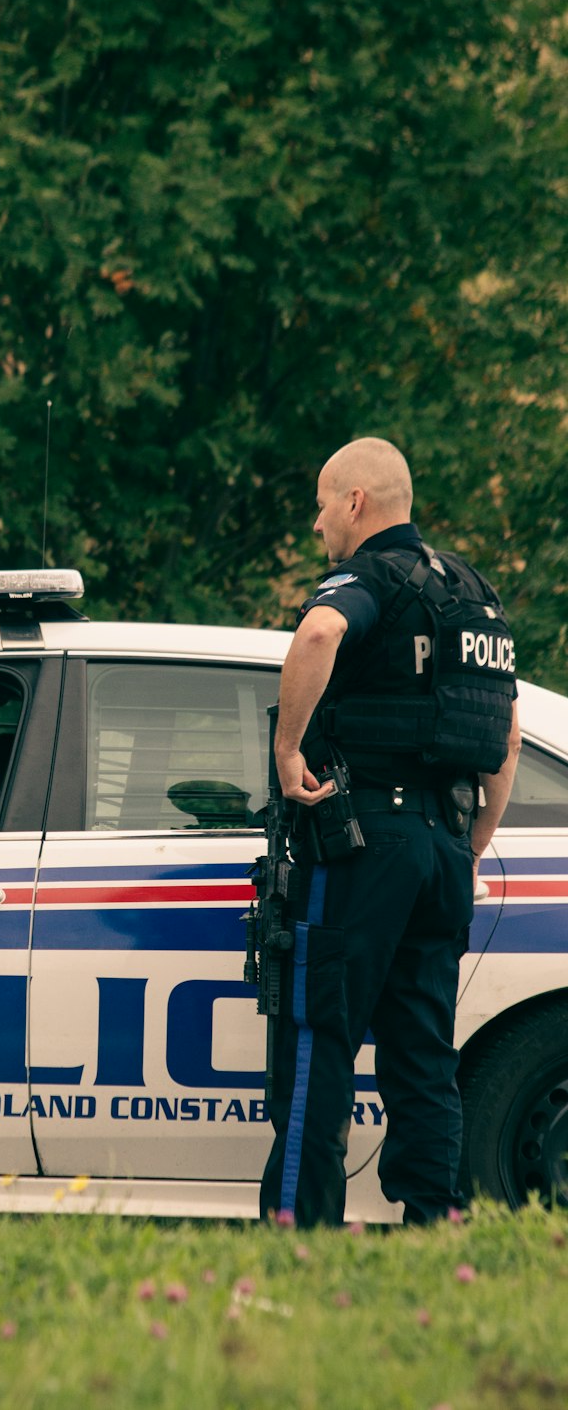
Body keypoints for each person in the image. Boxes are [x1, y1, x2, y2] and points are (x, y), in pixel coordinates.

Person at [259, 437, 521, 1227]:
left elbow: (317, 636)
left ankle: (299, 1226)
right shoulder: (474, 596)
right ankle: (433, 1220)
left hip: (364, 840)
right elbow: (504, 737)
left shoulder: (369, 578)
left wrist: (286, 749)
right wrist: (470, 842)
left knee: (318, 1032)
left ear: (355, 504)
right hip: (444, 845)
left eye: (320, 505)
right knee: (422, 1049)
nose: (315, 526)